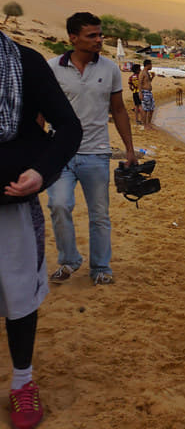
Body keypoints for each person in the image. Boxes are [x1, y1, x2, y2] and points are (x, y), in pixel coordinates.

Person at [1, 30, 83, 429]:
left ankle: (22, 382)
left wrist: (41, 172)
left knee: (19, 297)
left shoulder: (24, 62)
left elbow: (68, 128)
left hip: (10, 207)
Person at [47, 12, 136, 286]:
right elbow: (41, 111)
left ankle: (100, 267)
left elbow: (119, 110)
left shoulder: (109, 69)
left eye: (100, 35)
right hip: (59, 152)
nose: (99, 40)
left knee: (99, 214)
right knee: (59, 205)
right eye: (92, 35)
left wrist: (130, 149)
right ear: (73, 38)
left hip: (96, 153)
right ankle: (69, 260)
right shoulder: (52, 67)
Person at [139, 58, 157, 129]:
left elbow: (148, 82)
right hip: (144, 92)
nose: (151, 66)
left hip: (149, 92)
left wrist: (152, 77)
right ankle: (145, 124)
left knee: (151, 108)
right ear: (148, 65)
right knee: (145, 109)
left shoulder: (147, 73)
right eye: (151, 64)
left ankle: (149, 123)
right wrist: (140, 93)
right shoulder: (142, 73)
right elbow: (140, 83)